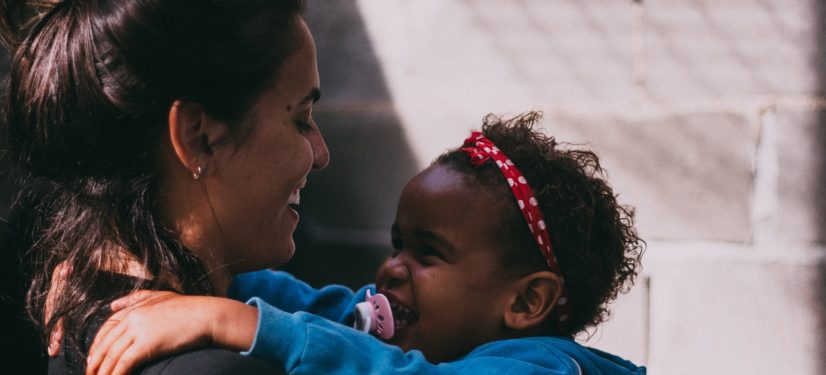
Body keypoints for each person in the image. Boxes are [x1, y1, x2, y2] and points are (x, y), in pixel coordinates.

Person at [86, 112, 648, 375]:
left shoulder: (544, 369)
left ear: (526, 303)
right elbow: (323, 310)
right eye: (398, 244)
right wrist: (157, 268)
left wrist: (231, 323)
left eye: (428, 254)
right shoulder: (428, 329)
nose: (391, 269)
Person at [0, 0, 327, 373]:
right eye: (301, 120)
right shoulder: (222, 368)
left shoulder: (78, 308)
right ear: (197, 137)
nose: (321, 154)